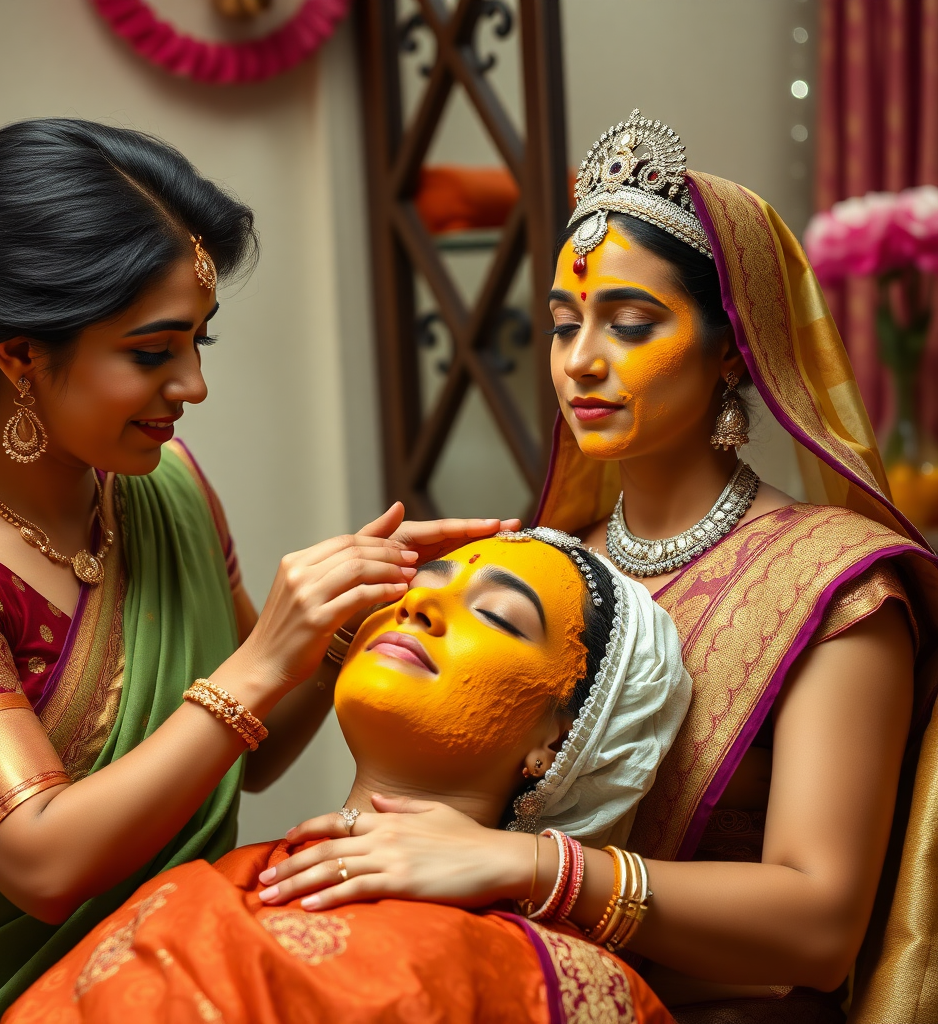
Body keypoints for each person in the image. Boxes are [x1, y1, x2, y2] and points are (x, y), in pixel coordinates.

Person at [260, 111, 938, 1022]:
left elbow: (817, 928)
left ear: (733, 349)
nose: (581, 362)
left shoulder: (837, 586)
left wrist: (533, 866)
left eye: (630, 324)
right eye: (563, 323)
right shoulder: (540, 572)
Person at [0, 118, 516, 1023]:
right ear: (19, 354)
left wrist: (345, 619)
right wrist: (265, 657)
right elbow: (40, 864)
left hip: (174, 981)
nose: (192, 385)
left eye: (203, 341)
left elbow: (250, 755)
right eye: (153, 352)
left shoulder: (164, 487)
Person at [1, 529, 691, 1024]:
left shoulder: (568, 990)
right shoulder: (201, 888)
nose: (417, 606)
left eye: (495, 614)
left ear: (562, 737)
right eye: (415, 589)